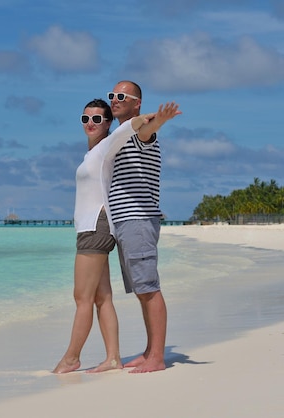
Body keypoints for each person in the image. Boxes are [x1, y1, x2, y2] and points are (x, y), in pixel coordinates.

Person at [53, 98, 180, 374]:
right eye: (85, 118)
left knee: (82, 298)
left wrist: (156, 118)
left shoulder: (107, 146)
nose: (90, 123)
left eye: (98, 119)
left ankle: (71, 358)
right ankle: (112, 357)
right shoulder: (93, 154)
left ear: (108, 123)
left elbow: (133, 127)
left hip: (95, 226)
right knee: (101, 297)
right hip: (93, 225)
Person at [107, 80, 179, 373]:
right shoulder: (121, 134)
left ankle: (158, 358)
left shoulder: (139, 133)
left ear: (136, 102)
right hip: (126, 221)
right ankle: (150, 350)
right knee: (141, 289)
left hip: (137, 219)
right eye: (112, 95)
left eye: (121, 96)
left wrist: (157, 120)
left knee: (149, 288)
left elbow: (147, 130)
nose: (114, 99)